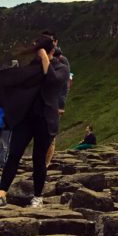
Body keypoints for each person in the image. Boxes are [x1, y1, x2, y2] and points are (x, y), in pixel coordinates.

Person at [0, 36, 70, 208]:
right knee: (14, 155)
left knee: (38, 159)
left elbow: (52, 81)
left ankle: (37, 196)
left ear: (51, 51)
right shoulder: (34, 67)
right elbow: (16, 81)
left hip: (45, 120)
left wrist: (46, 57)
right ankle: (2, 192)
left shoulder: (62, 68)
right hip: (26, 118)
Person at [41, 32, 71, 169]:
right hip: (42, 101)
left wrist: (61, 104)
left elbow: (65, 85)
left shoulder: (62, 60)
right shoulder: (41, 57)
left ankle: (45, 163)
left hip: (54, 103)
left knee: (50, 134)